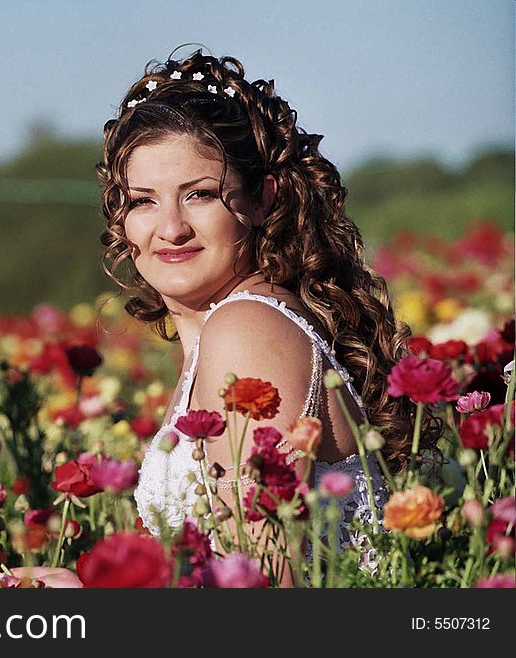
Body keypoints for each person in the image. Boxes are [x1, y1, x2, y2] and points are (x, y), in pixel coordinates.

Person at [98, 50, 437, 563]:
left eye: (200, 195)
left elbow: (260, 580)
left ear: (261, 200)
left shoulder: (247, 330)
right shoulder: (235, 324)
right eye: (143, 200)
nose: (170, 229)